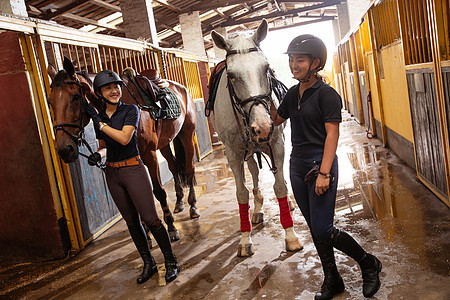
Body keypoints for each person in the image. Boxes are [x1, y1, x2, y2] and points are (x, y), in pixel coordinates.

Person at [271, 35, 382, 299]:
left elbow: (332, 135)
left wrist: (324, 173)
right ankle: (333, 279)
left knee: (323, 229)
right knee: (315, 228)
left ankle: (368, 262)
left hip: (319, 165)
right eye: (291, 59)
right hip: (296, 165)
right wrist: (261, 97)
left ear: (315, 63)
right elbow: (277, 120)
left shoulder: (327, 94)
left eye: (300, 60)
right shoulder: (291, 93)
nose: (293, 64)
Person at [84, 70, 180, 284]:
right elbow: (105, 146)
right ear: (99, 93)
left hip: (133, 169)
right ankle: (149, 263)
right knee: (131, 222)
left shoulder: (131, 110)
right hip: (113, 173)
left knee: (150, 218)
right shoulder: (100, 118)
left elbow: (125, 138)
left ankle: (171, 261)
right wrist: (96, 154)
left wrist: (99, 123)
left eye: (116, 86)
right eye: (108, 88)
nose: (114, 91)